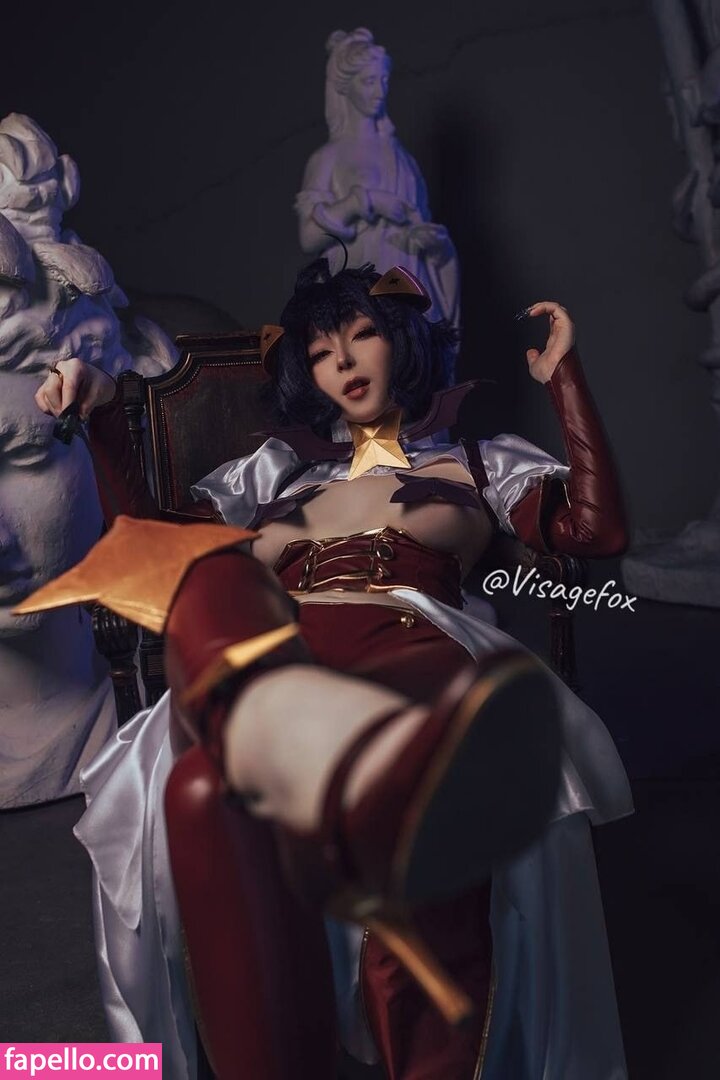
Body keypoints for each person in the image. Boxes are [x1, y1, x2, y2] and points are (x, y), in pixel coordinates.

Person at [21, 259, 633, 1080]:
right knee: (201, 794)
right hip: (273, 648)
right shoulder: (273, 473)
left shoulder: (480, 462)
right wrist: (101, 411)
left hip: (412, 642)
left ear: (401, 341)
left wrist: (565, 381)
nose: (342, 361)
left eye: (362, 334)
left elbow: (595, 532)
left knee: (419, 818)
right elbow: (155, 547)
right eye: (318, 351)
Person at [297, 29, 459, 340]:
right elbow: (309, 236)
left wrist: (431, 242)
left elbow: (420, 225)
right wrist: (365, 202)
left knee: (413, 354)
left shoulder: (402, 158)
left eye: (384, 80)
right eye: (369, 81)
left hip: (408, 281)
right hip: (360, 285)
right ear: (345, 85)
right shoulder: (329, 158)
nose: (379, 91)